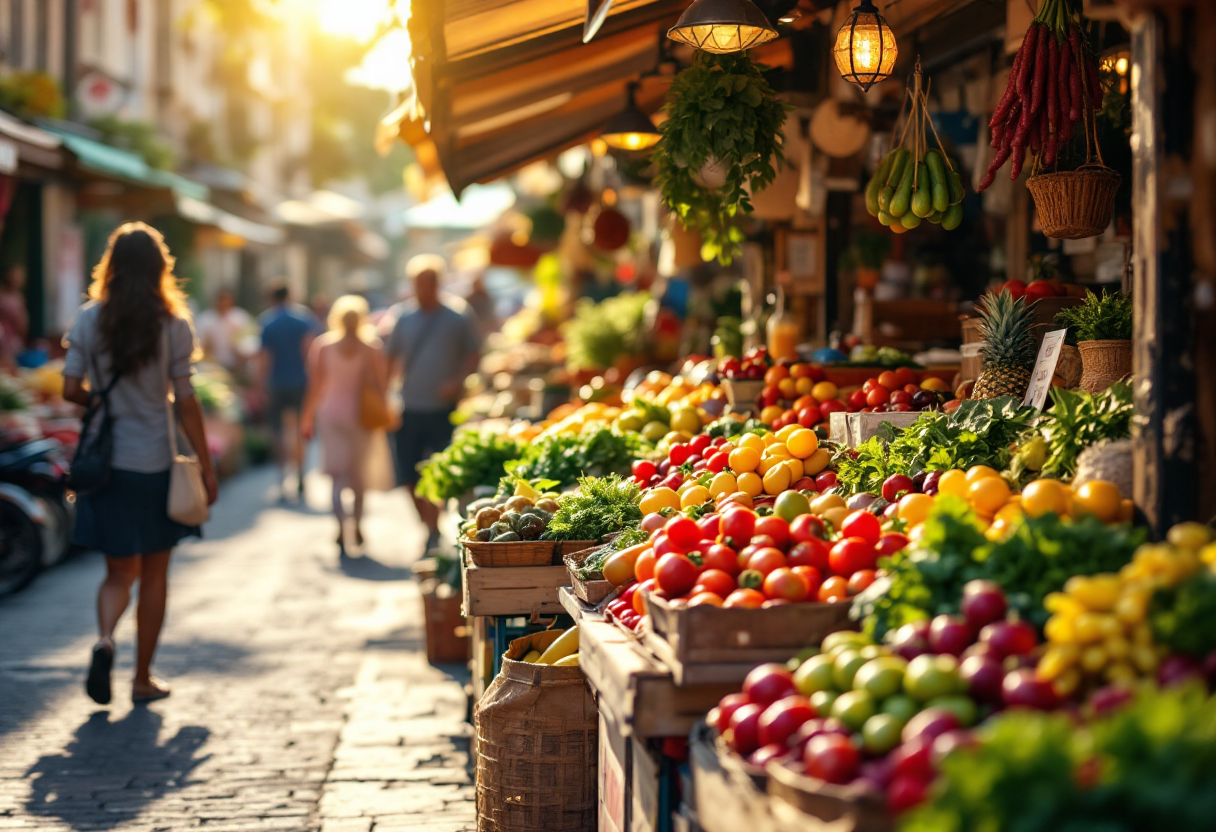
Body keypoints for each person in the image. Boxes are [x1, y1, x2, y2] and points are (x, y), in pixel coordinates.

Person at [61, 222, 219, 705]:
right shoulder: (173, 324)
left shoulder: (89, 320)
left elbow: (70, 389)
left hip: (107, 467)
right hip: (155, 464)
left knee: (116, 573)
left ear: (110, 266)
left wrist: (104, 407)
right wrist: (206, 464)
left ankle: (105, 639)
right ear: (159, 267)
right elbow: (186, 400)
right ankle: (141, 678)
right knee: (155, 574)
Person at [385, 255, 480, 553]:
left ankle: (433, 525)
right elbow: (389, 360)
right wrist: (386, 397)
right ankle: (428, 524)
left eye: (429, 283)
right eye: (418, 283)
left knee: (441, 474)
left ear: (438, 284)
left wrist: (458, 380)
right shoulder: (403, 317)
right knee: (407, 475)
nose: (423, 289)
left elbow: (474, 354)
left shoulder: (458, 316)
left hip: (444, 409)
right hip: (409, 406)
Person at [301, 295, 390, 556]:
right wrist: (385, 411)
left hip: (331, 415)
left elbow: (315, 386)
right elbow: (380, 385)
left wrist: (306, 418)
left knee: (337, 476)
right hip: (361, 417)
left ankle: (341, 526)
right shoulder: (371, 346)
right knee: (358, 475)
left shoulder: (324, 346)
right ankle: (358, 525)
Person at [257, 284, 316, 500]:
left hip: (276, 383)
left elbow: (264, 357)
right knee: (302, 429)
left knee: (278, 431)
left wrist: (260, 385)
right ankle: (301, 473)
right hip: (300, 382)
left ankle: (282, 476)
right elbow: (309, 352)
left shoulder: (267, 321)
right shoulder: (303, 319)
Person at [196, 288, 253, 372]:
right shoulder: (205, 319)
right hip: (213, 367)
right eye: (221, 299)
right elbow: (200, 345)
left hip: (237, 365)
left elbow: (248, 342)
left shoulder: (240, 317)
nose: (223, 303)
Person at [0, 264, 28, 364]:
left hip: (14, 341)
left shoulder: (19, 298)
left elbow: (22, 325)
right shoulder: (2, 296)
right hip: (3, 340)